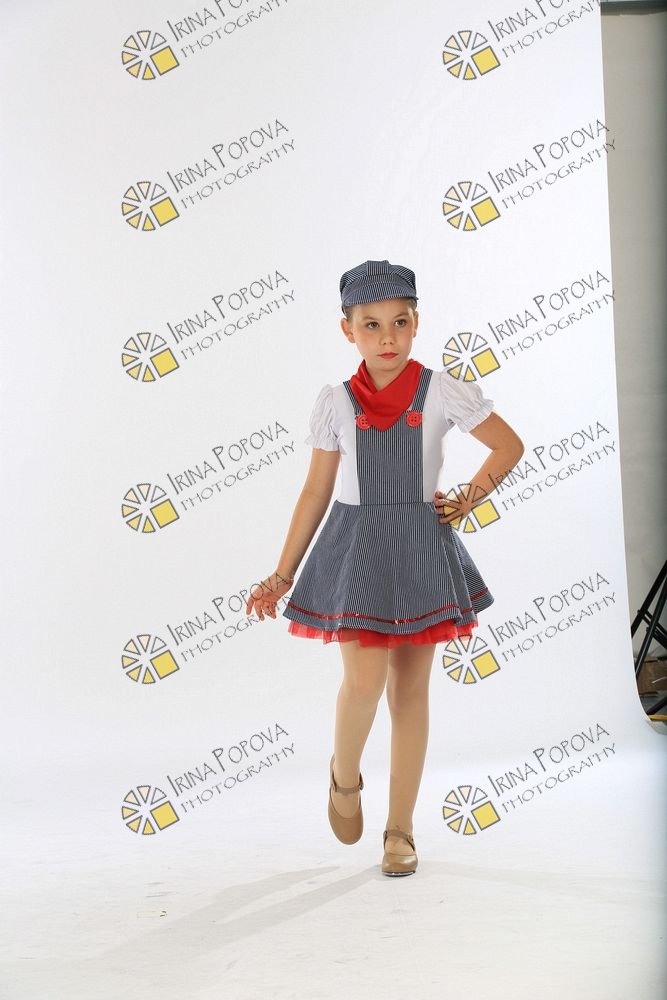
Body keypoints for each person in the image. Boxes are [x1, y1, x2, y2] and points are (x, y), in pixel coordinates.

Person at [245, 259, 524, 876]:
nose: (388, 337)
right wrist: (282, 574)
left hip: (420, 547)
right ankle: (344, 778)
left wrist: (468, 498)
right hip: (358, 551)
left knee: (410, 692)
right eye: (371, 325)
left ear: (416, 323)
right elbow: (316, 490)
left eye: (400, 322)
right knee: (364, 683)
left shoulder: (442, 390)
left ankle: (401, 830)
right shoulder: (336, 402)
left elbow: (508, 446)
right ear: (348, 330)